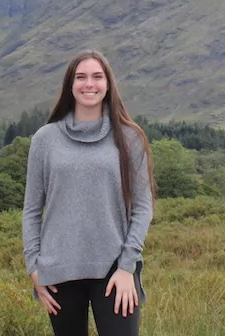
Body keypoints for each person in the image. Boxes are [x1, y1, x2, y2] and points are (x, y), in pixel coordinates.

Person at [22, 50, 155, 336]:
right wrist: (34, 267)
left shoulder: (130, 137)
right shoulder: (45, 139)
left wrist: (127, 267)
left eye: (97, 76)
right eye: (81, 77)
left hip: (115, 270)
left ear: (108, 84)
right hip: (58, 271)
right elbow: (32, 210)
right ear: (70, 85)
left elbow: (143, 207)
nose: (89, 84)